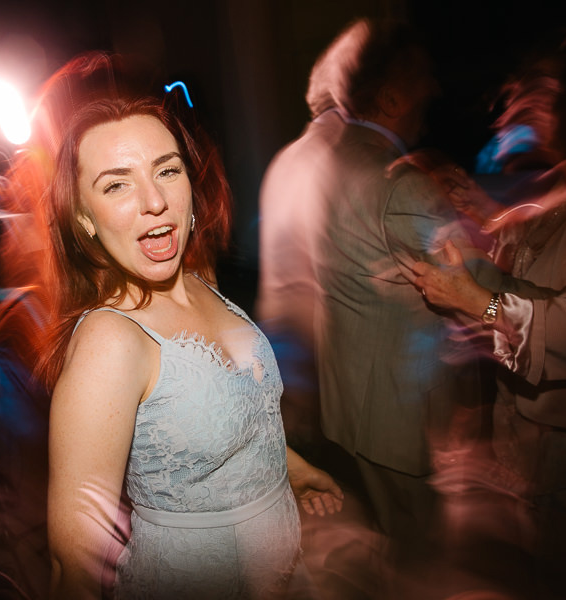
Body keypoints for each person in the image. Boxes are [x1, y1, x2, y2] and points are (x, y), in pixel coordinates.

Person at [40, 93, 343, 599]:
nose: (154, 201)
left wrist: (299, 470)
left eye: (167, 170)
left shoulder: (198, 277)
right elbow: (72, 564)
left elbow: (233, 419)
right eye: (116, 184)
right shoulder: (109, 342)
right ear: (84, 219)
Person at [257, 17, 514, 594]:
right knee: (420, 560)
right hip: (398, 420)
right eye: (424, 77)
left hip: (349, 406)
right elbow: (490, 290)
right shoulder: (401, 184)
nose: (437, 90)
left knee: (388, 545)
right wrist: (491, 220)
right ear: (392, 94)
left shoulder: (317, 162)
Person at [413, 33, 566, 599]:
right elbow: (532, 266)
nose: (523, 107)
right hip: (536, 438)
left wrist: (474, 302)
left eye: (545, 94)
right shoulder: (563, 180)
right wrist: (476, 216)